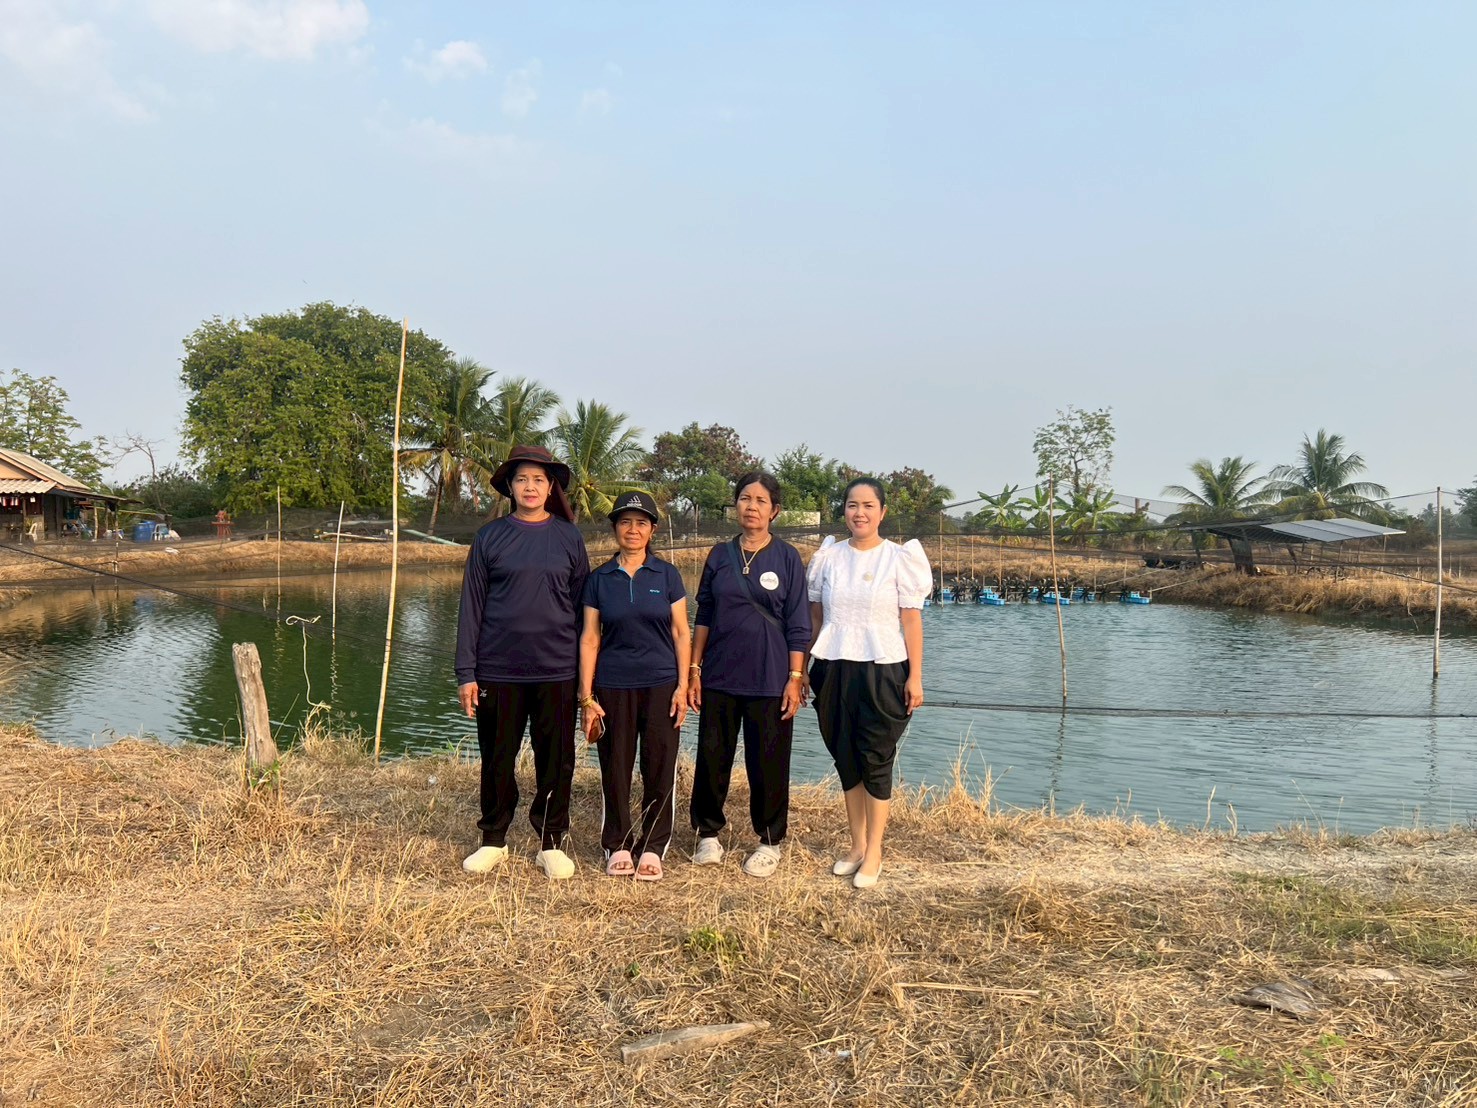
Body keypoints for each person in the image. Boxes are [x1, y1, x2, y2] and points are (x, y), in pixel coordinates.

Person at [456, 445, 590, 880]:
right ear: (510, 488)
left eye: (539, 480)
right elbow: (471, 607)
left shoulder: (569, 537)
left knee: (557, 758)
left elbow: (582, 609)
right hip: (498, 669)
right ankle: (494, 839)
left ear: (550, 487)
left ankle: (551, 841)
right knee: (498, 757)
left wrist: (587, 680)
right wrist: (467, 673)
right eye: (522, 480)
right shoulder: (490, 537)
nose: (530, 487)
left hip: (557, 669)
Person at [805, 477, 931, 888]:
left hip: (884, 666)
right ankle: (856, 845)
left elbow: (911, 620)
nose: (859, 513)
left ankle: (875, 850)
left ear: (882, 512)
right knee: (845, 757)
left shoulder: (900, 558)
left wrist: (915, 676)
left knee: (876, 758)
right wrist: (805, 667)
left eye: (867, 506)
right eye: (851, 505)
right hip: (833, 665)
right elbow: (816, 618)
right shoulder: (829, 557)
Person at [688, 472, 811, 879]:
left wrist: (796, 675)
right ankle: (707, 832)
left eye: (760, 500)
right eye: (744, 498)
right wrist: (694, 668)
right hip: (720, 675)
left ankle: (770, 840)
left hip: (770, 677)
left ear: (774, 510)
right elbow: (703, 614)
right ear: (735, 506)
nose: (751, 507)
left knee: (769, 762)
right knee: (712, 757)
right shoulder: (719, 555)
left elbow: (798, 623)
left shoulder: (787, 557)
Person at [577, 490, 690, 881]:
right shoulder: (599, 579)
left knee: (659, 765)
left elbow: (681, 633)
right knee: (616, 765)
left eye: (641, 522)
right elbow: (590, 639)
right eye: (625, 522)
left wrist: (682, 684)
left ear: (652, 530)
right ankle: (618, 843)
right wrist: (587, 696)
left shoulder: (667, 575)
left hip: (661, 684)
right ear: (615, 529)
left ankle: (654, 845)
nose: (633, 529)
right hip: (612, 685)